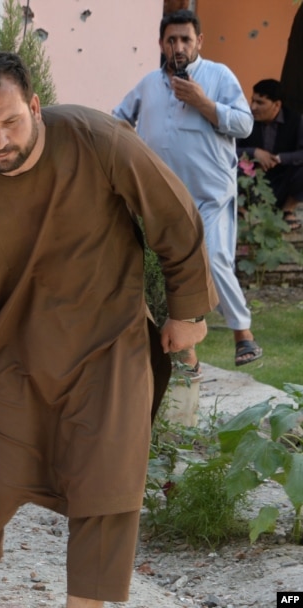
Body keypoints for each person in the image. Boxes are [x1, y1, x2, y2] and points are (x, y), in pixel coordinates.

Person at [0, 52, 217, 608]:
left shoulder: (99, 140)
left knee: (108, 490)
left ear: (35, 106)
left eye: (11, 121)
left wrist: (188, 311)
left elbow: (174, 216)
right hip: (8, 358)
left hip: (108, 348)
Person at [114, 9, 262, 370]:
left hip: (209, 193)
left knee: (211, 259)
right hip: (162, 196)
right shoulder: (149, 83)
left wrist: (203, 103)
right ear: (161, 43)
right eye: (171, 39)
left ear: (199, 41)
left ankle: (243, 335)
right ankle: (186, 355)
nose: (178, 46)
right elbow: (117, 119)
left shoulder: (217, 76)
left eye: (185, 39)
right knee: (168, 268)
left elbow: (244, 124)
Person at [237, 79, 303, 229]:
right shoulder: (244, 119)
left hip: (281, 184)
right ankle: (240, 212)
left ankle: (287, 211)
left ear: (277, 105)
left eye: (260, 103)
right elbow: (229, 150)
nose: (253, 107)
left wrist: (280, 159)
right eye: (252, 101)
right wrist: (254, 152)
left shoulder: (296, 120)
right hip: (249, 184)